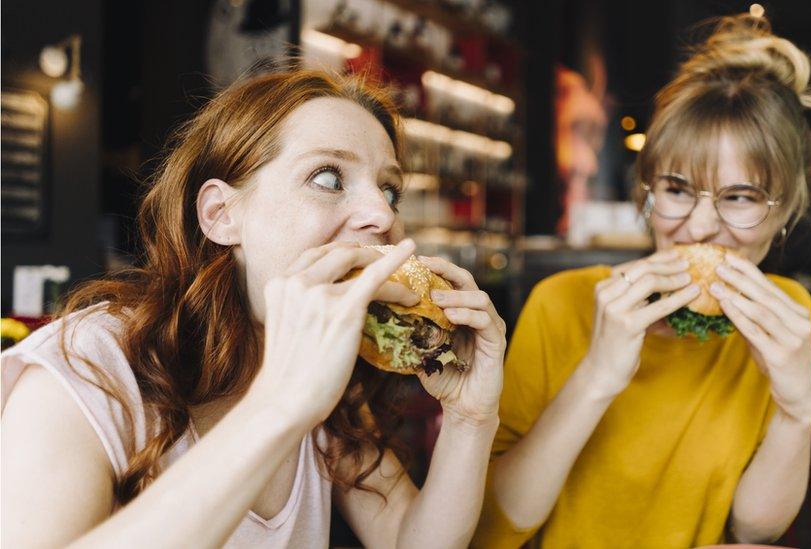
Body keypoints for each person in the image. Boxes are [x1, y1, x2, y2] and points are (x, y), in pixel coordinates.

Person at [1, 69, 506, 548]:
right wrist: (281, 404)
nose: (380, 214)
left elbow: (407, 539)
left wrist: (470, 418)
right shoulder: (87, 369)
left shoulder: (327, 380)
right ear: (222, 216)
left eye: (389, 190)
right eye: (329, 178)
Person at [473, 14, 811, 548]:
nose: (700, 225)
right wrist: (596, 376)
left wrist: (799, 411)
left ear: (785, 212)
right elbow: (495, 525)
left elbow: (754, 528)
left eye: (739, 197)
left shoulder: (787, 315)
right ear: (646, 191)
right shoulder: (563, 303)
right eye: (677, 188)